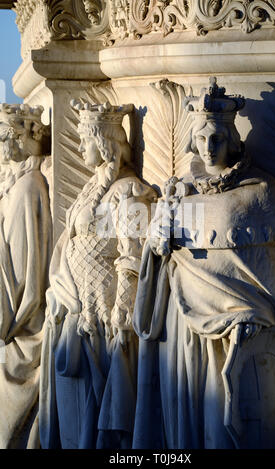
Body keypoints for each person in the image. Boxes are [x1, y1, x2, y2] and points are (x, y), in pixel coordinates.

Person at [132, 78, 275, 449]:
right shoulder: (179, 193)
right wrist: (157, 246)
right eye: (203, 138)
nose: (209, 148)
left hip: (239, 336)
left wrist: (258, 317)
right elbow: (158, 261)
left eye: (218, 138)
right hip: (186, 333)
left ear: (235, 141)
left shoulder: (262, 193)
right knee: (191, 428)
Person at [39, 100, 156, 449]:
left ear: (104, 143)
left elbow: (131, 253)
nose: (79, 148)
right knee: (78, 397)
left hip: (106, 314)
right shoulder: (93, 187)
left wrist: (123, 306)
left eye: (84, 140)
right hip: (78, 308)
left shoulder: (127, 191)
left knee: (102, 396)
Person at [0, 103, 52, 448]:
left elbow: (21, 283)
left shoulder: (25, 191)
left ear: (21, 138)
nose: (2, 147)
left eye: (4, 138)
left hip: (21, 333)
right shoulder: (17, 186)